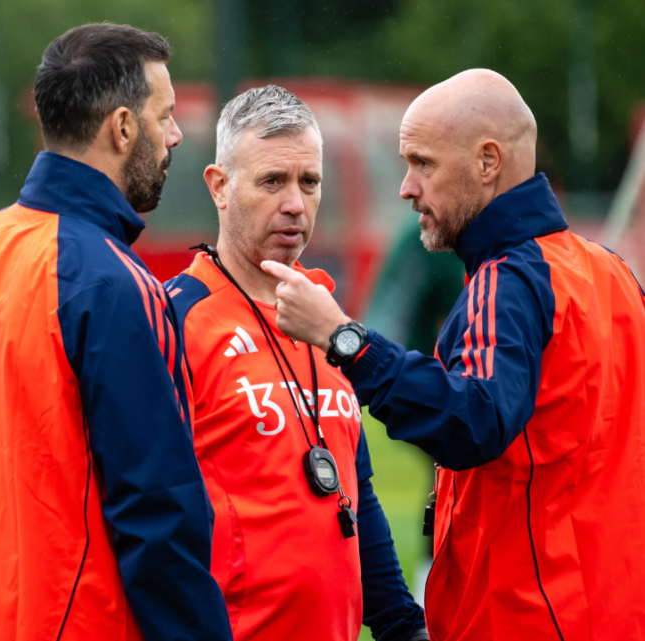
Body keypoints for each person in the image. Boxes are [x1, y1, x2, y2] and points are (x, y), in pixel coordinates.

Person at [262, 69, 645, 639]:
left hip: (529, 615)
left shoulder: (509, 279)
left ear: (488, 162)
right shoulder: (612, 271)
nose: (407, 186)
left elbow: (473, 420)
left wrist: (344, 339)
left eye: (423, 164)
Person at [0, 23, 232, 641]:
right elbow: (156, 510)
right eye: (165, 116)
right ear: (121, 128)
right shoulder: (111, 281)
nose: (175, 136)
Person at [165, 86, 428, 641]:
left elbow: (355, 492)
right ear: (219, 187)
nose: (294, 203)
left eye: (309, 182)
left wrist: (404, 625)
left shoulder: (329, 317)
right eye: (271, 182)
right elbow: (147, 514)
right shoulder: (174, 318)